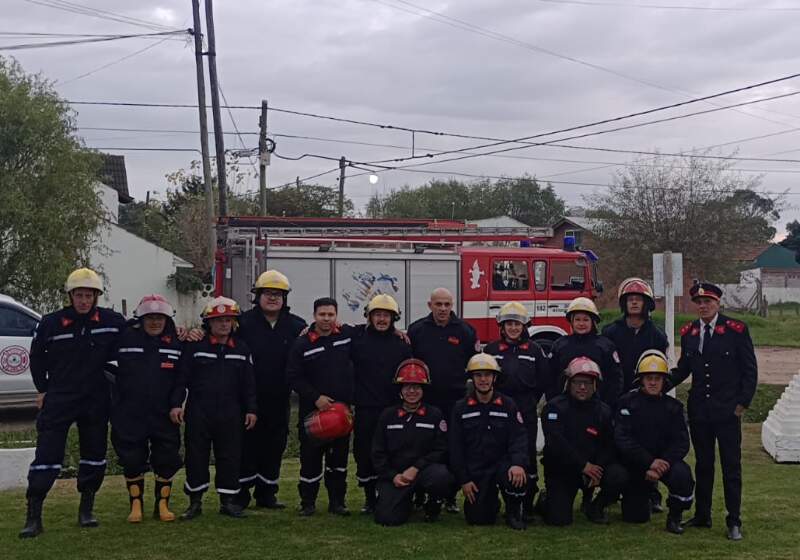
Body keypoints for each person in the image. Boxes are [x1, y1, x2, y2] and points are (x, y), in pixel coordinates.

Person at [21, 268, 127, 538]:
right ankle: (34, 516)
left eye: (89, 295)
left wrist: (181, 332)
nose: (84, 300)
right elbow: (36, 359)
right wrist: (43, 389)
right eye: (79, 295)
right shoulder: (50, 323)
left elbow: (143, 331)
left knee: (94, 456)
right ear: (70, 296)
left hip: (95, 399)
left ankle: (86, 510)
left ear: (96, 297)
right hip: (60, 397)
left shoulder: (113, 321)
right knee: (47, 456)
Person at [670, 282, 757, 541]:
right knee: (704, 466)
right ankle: (702, 514)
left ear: (718, 303)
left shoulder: (736, 330)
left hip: (728, 411)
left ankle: (734, 520)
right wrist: (660, 382)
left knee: (731, 467)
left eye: (708, 301)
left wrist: (743, 403)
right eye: (699, 302)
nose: (703, 306)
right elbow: (684, 368)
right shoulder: (690, 332)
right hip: (700, 412)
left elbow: (749, 370)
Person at [178, 296, 257, 520]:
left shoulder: (242, 348)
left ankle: (228, 501)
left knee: (230, 456)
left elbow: (249, 383)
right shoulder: (195, 347)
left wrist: (252, 409)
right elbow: (182, 379)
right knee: (196, 456)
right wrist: (176, 404)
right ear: (208, 323)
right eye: (218, 320)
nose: (224, 324)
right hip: (199, 412)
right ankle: (195, 502)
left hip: (232, 412)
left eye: (228, 320)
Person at [236, 270, 306, 510]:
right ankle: (241, 494)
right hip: (247, 398)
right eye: (268, 293)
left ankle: (267, 494)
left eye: (278, 294)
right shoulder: (242, 323)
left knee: (275, 445)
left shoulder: (297, 326)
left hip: (279, 397)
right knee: (246, 445)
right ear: (258, 296)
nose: (273, 298)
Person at [110, 295, 184, 524]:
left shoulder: (176, 342)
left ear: (167, 319)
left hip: (165, 414)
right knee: (132, 458)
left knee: (167, 457)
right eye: (149, 318)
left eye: (159, 318)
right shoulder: (123, 338)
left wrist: (176, 404)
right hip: (130, 412)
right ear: (139, 319)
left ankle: (162, 505)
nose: (154, 322)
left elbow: (181, 380)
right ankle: (136, 504)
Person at [601, 277, 668, 513]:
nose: (634, 303)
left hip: (647, 399)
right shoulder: (609, 333)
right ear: (623, 303)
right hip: (616, 398)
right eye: (630, 299)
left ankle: (652, 491)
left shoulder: (658, 337)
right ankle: (612, 489)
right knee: (616, 442)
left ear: (647, 304)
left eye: (639, 299)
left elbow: (661, 370)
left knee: (650, 442)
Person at [408, 287, 477, 513]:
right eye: (438, 304)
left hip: (455, 402)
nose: (443, 309)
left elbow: (474, 366)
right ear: (430, 305)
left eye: (447, 304)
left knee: (453, 447)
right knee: (421, 446)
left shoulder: (466, 331)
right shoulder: (417, 330)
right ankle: (418, 493)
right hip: (425, 402)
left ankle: (450, 496)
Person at [286, 297, 355, 516]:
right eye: (322, 315)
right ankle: (308, 503)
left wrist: (398, 332)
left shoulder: (347, 336)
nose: (326, 319)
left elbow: (373, 332)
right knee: (310, 461)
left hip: (341, 413)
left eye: (330, 315)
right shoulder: (302, 343)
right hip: (313, 412)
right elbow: (293, 377)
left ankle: (337, 502)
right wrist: (315, 398)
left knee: (339, 462)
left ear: (337, 316)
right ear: (314, 316)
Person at [540, 356, 627, 526]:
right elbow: (556, 443)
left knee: (619, 475)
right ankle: (545, 500)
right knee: (559, 520)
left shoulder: (604, 411)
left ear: (595, 385)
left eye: (587, 382)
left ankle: (596, 506)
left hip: (593, 469)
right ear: (568, 383)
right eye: (577, 382)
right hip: (563, 469)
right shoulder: (554, 408)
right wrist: (583, 466)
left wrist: (597, 469)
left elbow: (609, 445)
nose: (582, 387)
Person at [615, 350, 695, 534]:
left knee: (682, 475)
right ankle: (644, 495)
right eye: (648, 378)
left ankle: (675, 516)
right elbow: (622, 439)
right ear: (640, 380)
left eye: (657, 378)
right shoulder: (626, 403)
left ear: (664, 381)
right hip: (636, 464)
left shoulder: (674, 408)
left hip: (664, 464)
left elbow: (681, 442)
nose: (652, 382)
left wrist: (663, 463)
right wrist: (648, 462)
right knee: (636, 518)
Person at [483, 301, 549, 520]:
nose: (513, 328)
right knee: (497, 454)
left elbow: (543, 380)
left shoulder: (534, 350)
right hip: (498, 412)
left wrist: (530, 401)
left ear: (524, 326)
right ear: (501, 326)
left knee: (527, 456)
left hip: (526, 412)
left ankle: (526, 504)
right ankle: (497, 499)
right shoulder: (491, 350)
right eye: (509, 324)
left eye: (517, 324)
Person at [449, 353, 529, 530]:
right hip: (477, 468)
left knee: (517, 476)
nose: (483, 379)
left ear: (494, 377)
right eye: (478, 375)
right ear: (472, 378)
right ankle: (491, 504)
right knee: (478, 519)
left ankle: (514, 510)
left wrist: (517, 463)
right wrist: (464, 480)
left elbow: (519, 437)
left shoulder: (508, 405)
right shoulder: (460, 408)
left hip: (503, 464)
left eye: (487, 375)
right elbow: (456, 447)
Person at [372, 358, 454, 525]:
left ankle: (433, 504)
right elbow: (378, 452)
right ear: (400, 390)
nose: (412, 391)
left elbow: (441, 450)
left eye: (416, 387)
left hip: (423, 471)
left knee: (442, 476)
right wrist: (392, 476)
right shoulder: (388, 416)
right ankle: (406, 502)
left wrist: (416, 467)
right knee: (387, 519)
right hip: (397, 475)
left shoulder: (434, 415)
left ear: (423, 389)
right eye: (407, 386)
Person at [351, 294, 413, 514]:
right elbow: (330, 326)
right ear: (369, 316)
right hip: (366, 407)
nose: (381, 320)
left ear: (393, 319)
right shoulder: (356, 337)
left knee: (393, 451)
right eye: (377, 315)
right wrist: (310, 327)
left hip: (393, 408)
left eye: (386, 316)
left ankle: (394, 492)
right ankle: (369, 496)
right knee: (365, 452)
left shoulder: (402, 344)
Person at [548, 297, 623, 407]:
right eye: (577, 319)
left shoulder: (605, 346)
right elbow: (550, 377)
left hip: (597, 407)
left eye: (585, 320)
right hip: (566, 407)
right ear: (571, 322)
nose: (581, 323)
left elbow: (615, 378)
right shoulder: (560, 345)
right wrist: (555, 403)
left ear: (593, 322)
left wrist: (606, 405)